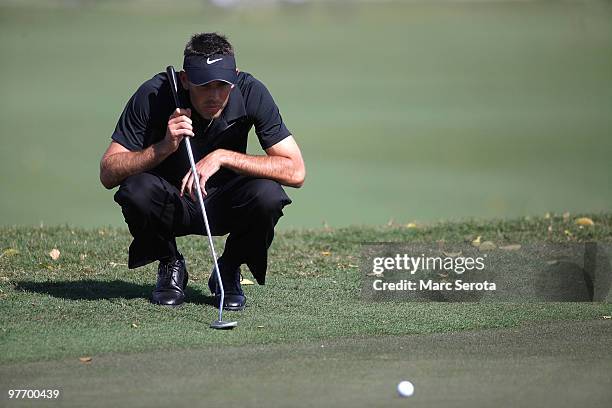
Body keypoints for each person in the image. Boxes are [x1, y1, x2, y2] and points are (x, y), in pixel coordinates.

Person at [99, 32, 305, 311]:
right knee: (136, 189)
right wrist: (163, 147)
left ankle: (228, 269)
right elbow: (108, 172)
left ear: (235, 77)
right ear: (185, 80)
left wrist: (222, 156)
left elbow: (295, 171)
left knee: (269, 194)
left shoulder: (251, 90)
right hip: (171, 202)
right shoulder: (154, 94)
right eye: (204, 85)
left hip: (226, 203)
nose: (215, 95)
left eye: (223, 85)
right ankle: (170, 263)